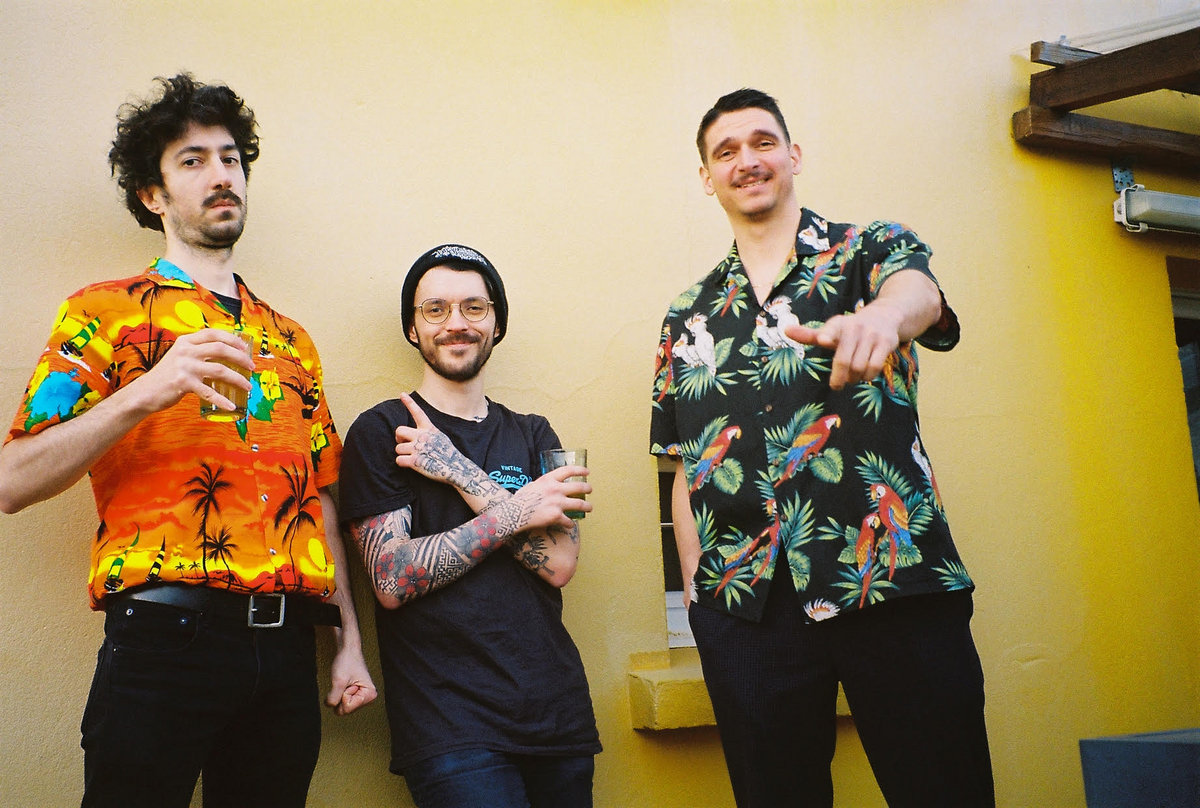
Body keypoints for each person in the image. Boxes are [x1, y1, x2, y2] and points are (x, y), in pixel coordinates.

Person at [0, 74, 375, 807]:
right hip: (163, 638)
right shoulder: (102, 313)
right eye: (193, 161)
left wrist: (348, 645)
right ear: (153, 195)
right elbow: (13, 479)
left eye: (231, 158)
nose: (221, 175)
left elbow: (319, 501)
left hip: (286, 648)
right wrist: (150, 388)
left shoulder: (291, 341)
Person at [650, 88, 994, 807]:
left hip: (891, 579)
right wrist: (701, 596)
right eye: (725, 151)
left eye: (763, 142)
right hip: (747, 610)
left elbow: (919, 294)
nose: (747, 160)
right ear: (707, 178)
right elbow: (683, 466)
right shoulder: (687, 315)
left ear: (794, 155)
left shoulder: (868, 248)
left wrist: (884, 318)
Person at [339, 244, 601, 808]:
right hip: (450, 726)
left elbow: (558, 564)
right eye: (435, 309)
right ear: (412, 328)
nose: (455, 323)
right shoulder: (382, 430)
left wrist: (456, 469)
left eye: (474, 307)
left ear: (496, 323)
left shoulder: (534, 433)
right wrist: (517, 510)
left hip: (557, 715)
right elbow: (392, 579)